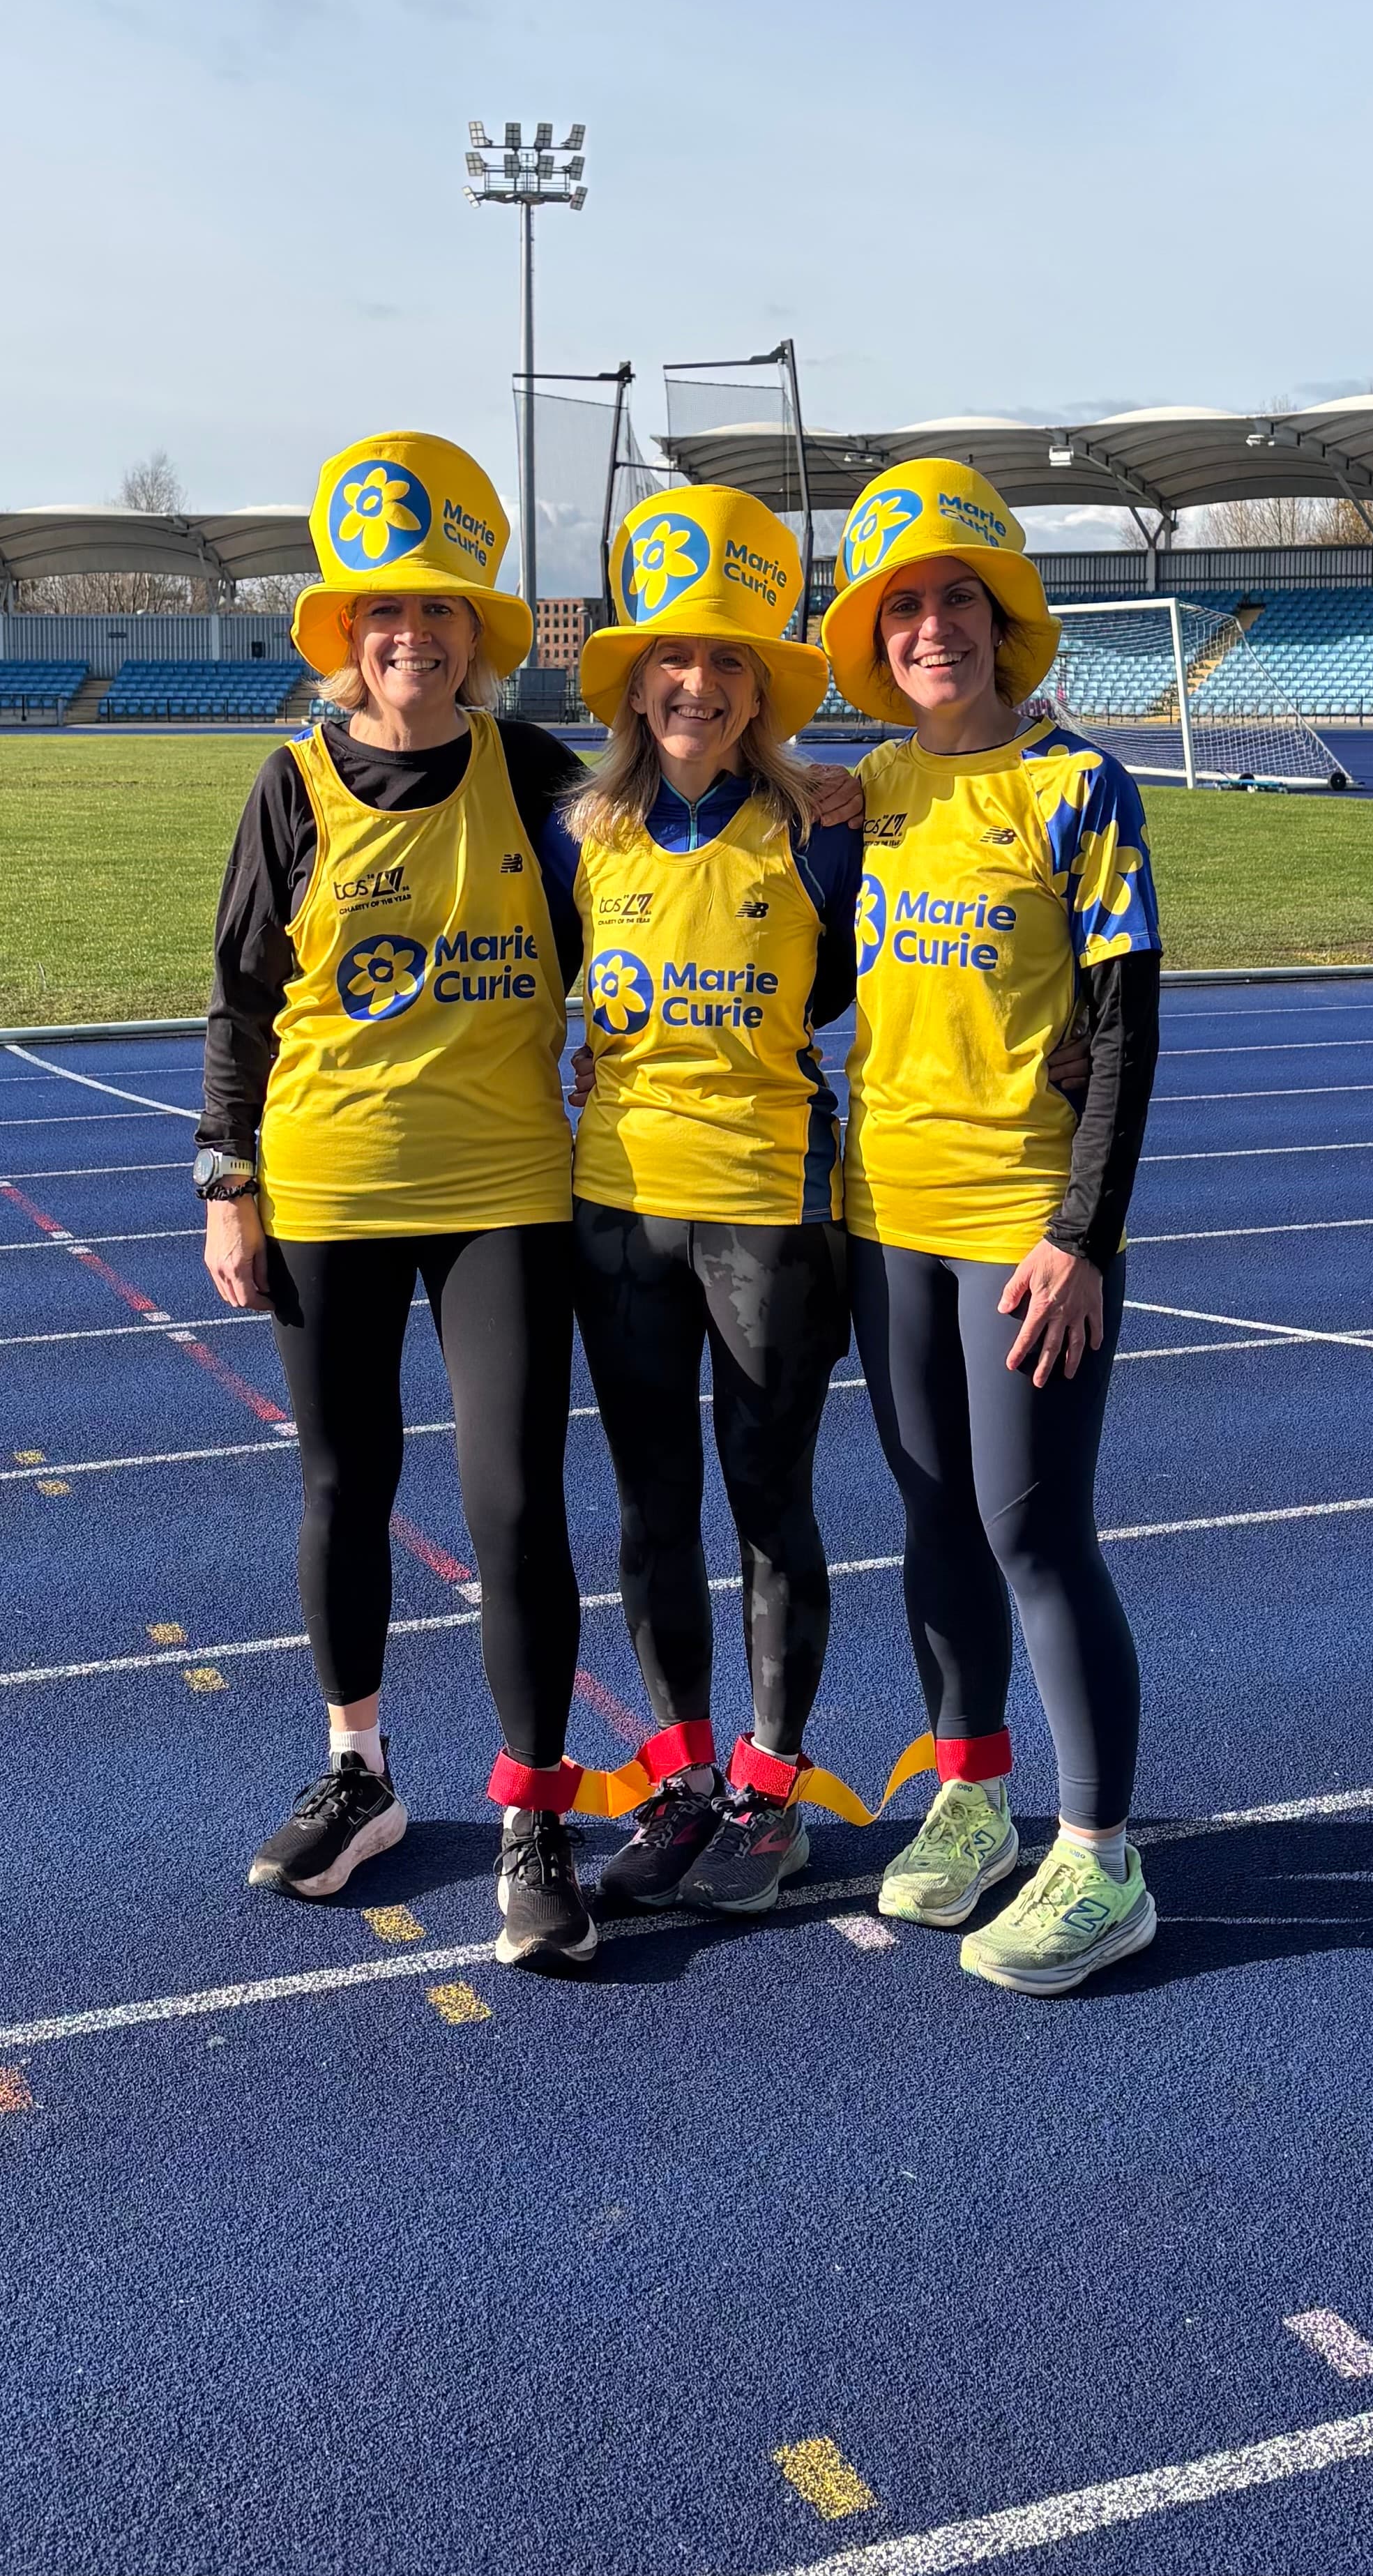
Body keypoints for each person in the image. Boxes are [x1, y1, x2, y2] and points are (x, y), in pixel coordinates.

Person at [196, 429, 597, 1973]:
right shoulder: (292, 784)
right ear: (348, 635)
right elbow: (238, 999)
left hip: (504, 1184)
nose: (410, 639)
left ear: (474, 637)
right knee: (342, 1487)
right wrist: (229, 1181)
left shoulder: (536, 770)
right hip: (329, 1182)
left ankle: (533, 1810)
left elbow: (663, 866)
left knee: (509, 1502)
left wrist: (816, 795)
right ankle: (359, 1771)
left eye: (437, 615)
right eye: (384, 616)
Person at [820, 457, 1162, 1995]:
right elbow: (813, 978)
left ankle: (1098, 1855)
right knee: (933, 1515)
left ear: (1003, 620)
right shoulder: (874, 789)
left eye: (957, 597)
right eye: (904, 606)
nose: (932, 627)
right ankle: (971, 1789)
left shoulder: (1077, 784)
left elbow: (1126, 1022)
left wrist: (1081, 1234)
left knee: (1032, 1528)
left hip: (1022, 1221)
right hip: (880, 1211)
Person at [538, 485, 861, 1915]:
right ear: (634, 680)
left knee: (767, 1500)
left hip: (768, 1211)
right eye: (674, 657)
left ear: (760, 688)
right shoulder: (577, 833)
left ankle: (770, 1786)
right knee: (649, 1503)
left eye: (729, 659)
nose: (697, 681)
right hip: (614, 1209)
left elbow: (863, 985)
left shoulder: (822, 826)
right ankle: (675, 1780)